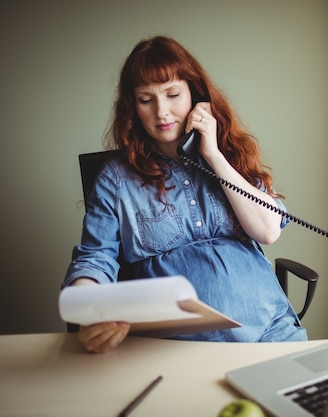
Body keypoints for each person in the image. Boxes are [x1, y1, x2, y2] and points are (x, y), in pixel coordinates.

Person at [62, 35, 307, 353]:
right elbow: (94, 257)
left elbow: (267, 230)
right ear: (132, 108)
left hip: (272, 334)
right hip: (178, 348)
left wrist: (214, 155)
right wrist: (88, 311)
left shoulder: (230, 154)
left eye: (173, 94)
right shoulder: (116, 177)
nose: (162, 112)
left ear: (196, 95)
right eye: (146, 99)